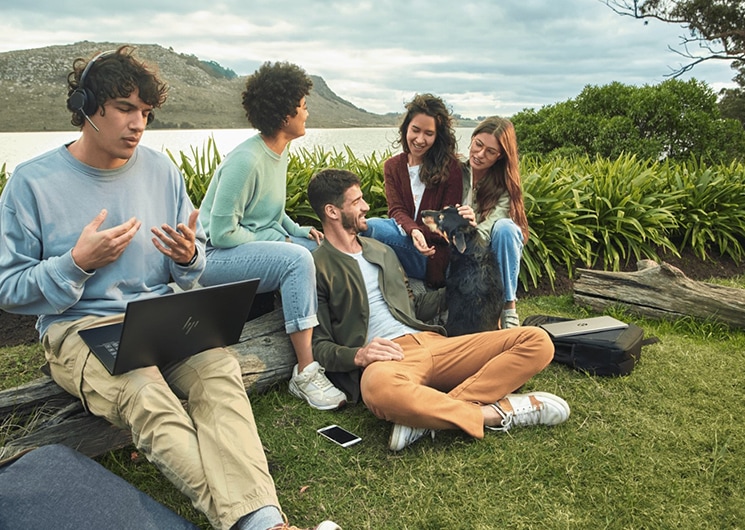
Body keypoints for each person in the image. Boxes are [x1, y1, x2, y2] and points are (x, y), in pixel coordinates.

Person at [0, 46, 339, 530]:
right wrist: (74, 265)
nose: (138, 123)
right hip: (81, 325)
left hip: (162, 316)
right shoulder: (32, 184)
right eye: (124, 108)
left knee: (220, 377)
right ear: (84, 106)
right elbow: (9, 288)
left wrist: (187, 258)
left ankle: (260, 523)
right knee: (146, 394)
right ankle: (261, 523)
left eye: (146, 112)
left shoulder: (161, 171)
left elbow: (193, 264)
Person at [306, 168, 570, 451]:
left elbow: (413, 306)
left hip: (436, 343)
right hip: (388, 360)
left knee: (537, 341)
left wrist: (464, 286)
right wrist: (359, 355)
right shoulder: (316, 266)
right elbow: (318, 345)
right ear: (332, 211)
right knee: (378, 392)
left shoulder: (381, 251)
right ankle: (496, 412)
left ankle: (425, 417)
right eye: (357, 201)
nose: (366, 207)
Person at [198, 61, 346, 411]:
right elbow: (220, 233)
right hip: (210, 258)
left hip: (248, 246)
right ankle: (306, 372)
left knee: (331, 247)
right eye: (302, 104)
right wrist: (280, 244)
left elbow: (270, 211)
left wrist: (294, 230)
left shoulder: (278, 151)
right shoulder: (246, 161)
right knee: (295, 259)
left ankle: (337, 342)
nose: (307, 110)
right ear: (284, 115)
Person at [362, 93, 463, 288]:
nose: (420, 139)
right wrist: (413, 231)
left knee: (371, 228)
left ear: (438, 135)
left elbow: (448, 221)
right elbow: (396, 210)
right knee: (365, 225)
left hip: (431, 252)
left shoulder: (451, 168)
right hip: (405, 235)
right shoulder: (393, 166)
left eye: (429, 133)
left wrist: (421, 234)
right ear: (406, 128)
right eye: (415, 130)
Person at [459, 116, 529, 329]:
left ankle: (509, 308)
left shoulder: (504, 185)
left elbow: (491, 226)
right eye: (478, 145)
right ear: (472, 139)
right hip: (457, 248)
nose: (480, 154)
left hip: (488, 246)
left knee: (506, 228)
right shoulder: (456, 171)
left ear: (500, 156)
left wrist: (471, 232)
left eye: (490, 151)